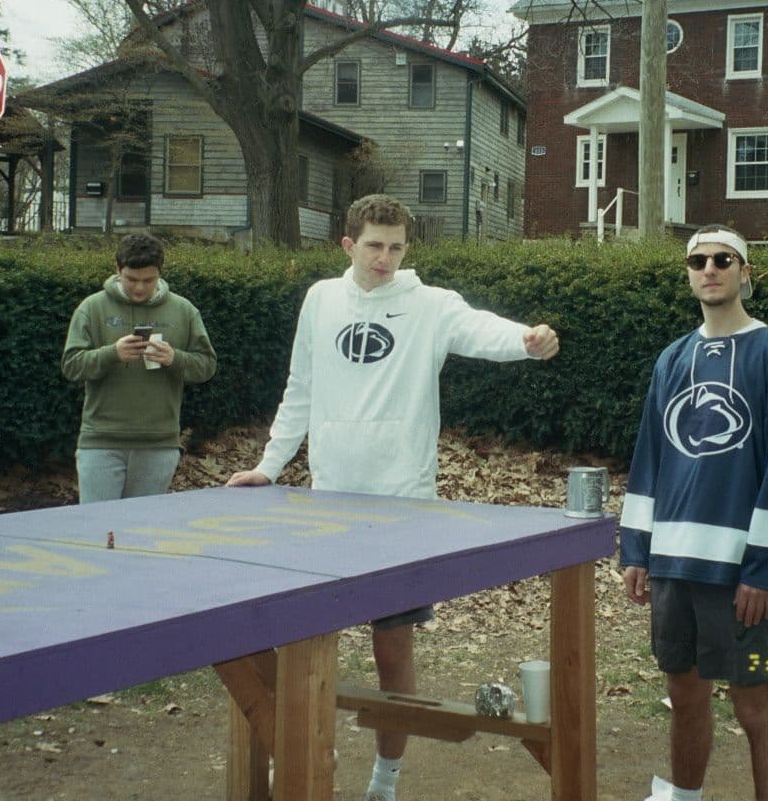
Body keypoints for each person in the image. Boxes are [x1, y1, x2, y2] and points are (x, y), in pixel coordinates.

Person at [227, 193, 559, 801]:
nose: (384, 258)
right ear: (348, 245)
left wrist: (527, 340)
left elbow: (482, 328)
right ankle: (298, 761)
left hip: (405, 506)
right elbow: (300, 388)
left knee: (392, 649)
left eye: (396, 247)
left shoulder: (430, 304)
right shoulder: (320, 299)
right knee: (307, 647)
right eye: (374, 246)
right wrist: (269, 467)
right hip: (328, 504)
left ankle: (385, 780)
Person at [620, 226, 768, 801]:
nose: (710, 268)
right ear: (688, 274)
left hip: (737, 568)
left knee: (754, 705)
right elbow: (650, 457)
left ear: (744, 272)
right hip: (673, 560)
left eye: (723, 259)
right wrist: (637, 549)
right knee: (684, 696)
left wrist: (766, 568)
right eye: (698, 260)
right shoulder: (672, 359)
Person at [62, 231, 217, 503]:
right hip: (101, 442)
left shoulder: (184, 311)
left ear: (160, 272)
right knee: (99, 525)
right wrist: (112, 354)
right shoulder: (92, 308)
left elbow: (206, 366)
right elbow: (71, 366)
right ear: (117, 269)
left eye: (149, 280)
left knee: (143, 527)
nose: (139, 288)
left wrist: (175, 359)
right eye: (131, 279)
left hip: (159, 444)